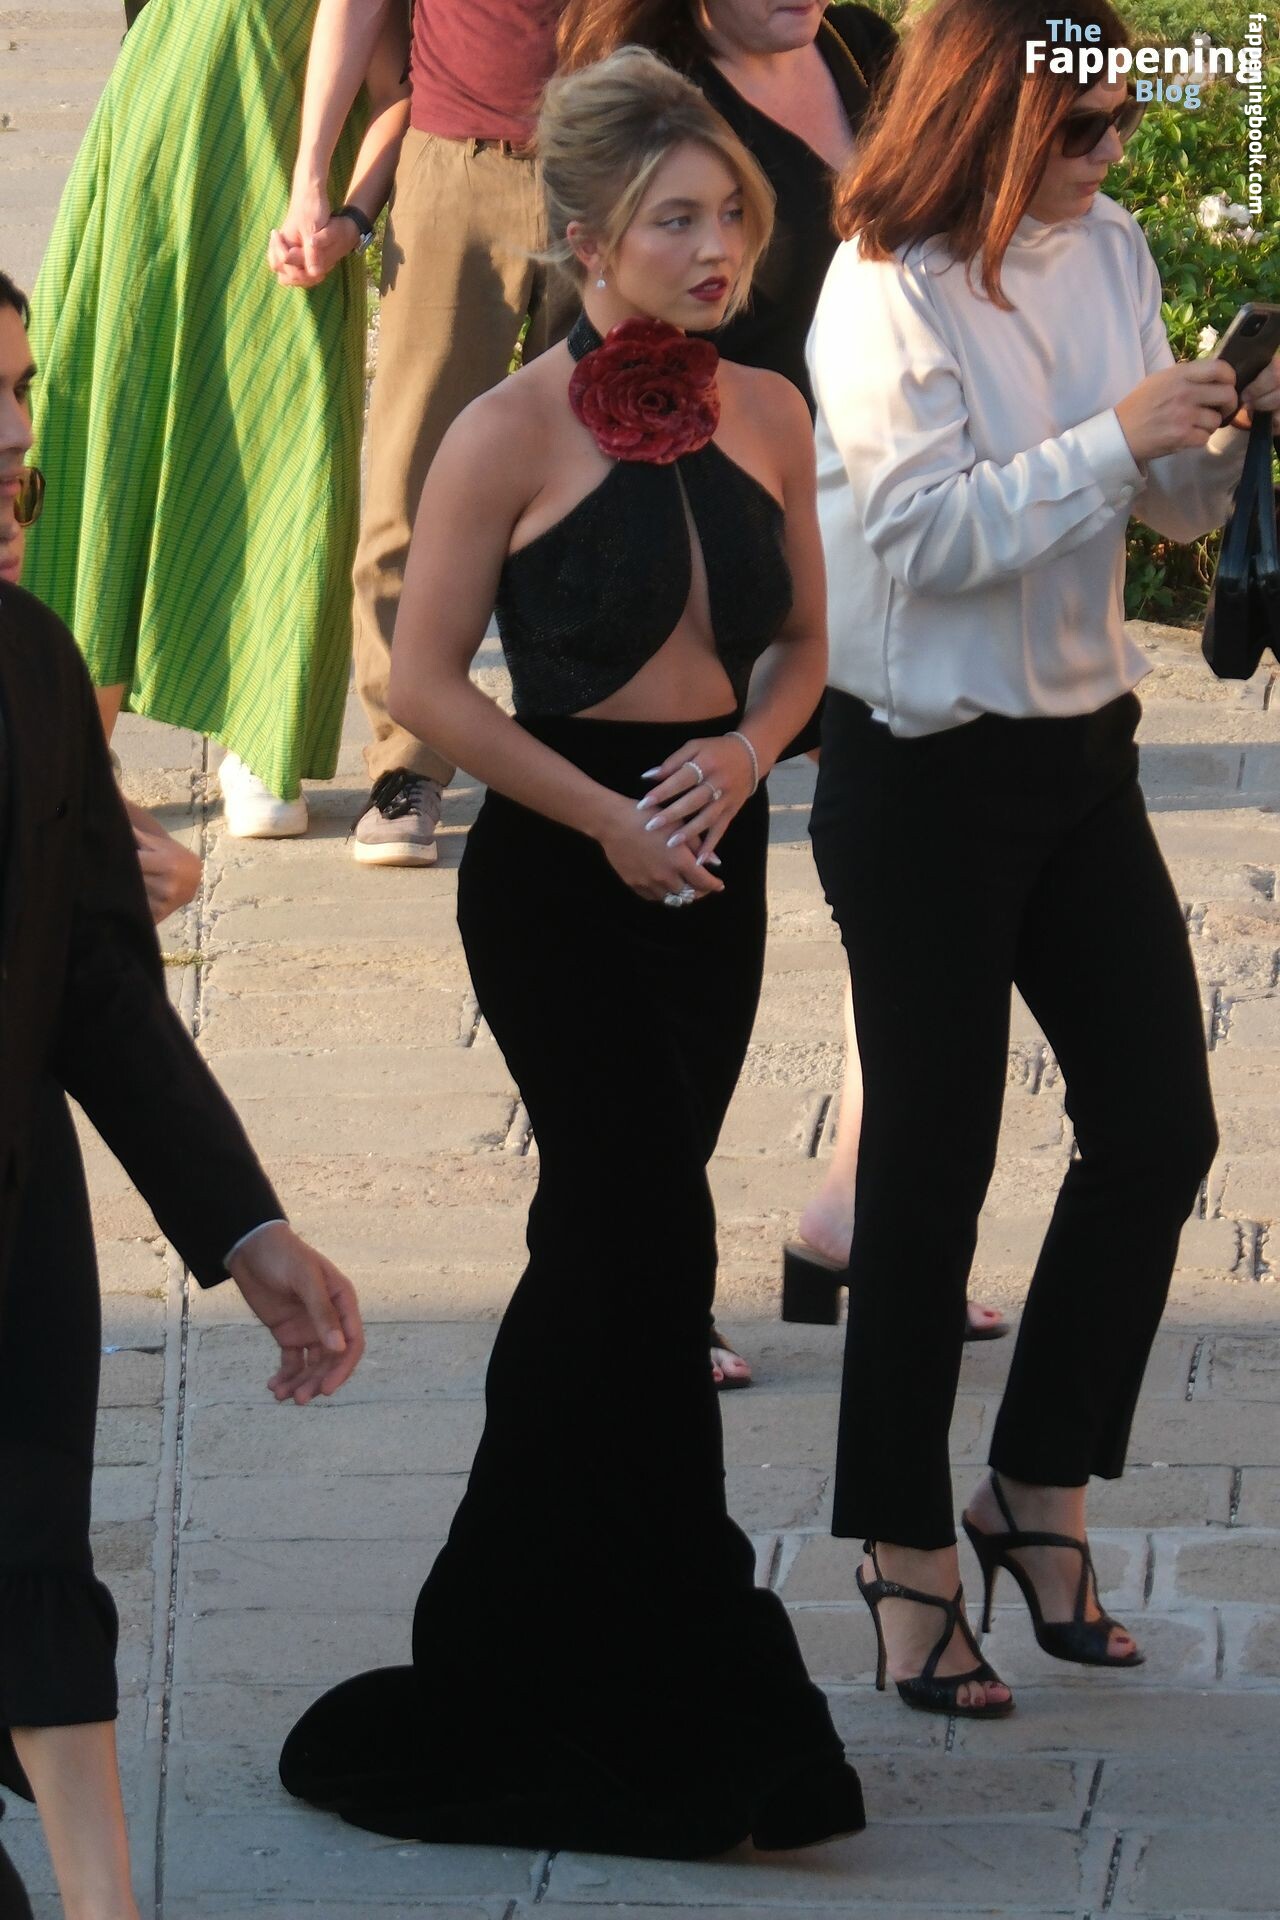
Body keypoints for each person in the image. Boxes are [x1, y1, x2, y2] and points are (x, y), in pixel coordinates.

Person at [279, 49, 864, 1856]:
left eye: (732, 214)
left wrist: (744, 758)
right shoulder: (506, 431)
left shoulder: (770, 411)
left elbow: (807, 647)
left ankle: (511, 1637)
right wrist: (604, 814)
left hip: (714, 864)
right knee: (648, 1244)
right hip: (557, 875)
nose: (717, 246)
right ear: (588, 238)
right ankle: (686, 1679)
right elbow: (423, 680)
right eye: (677, 219)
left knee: (601, 1260)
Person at [806, 0, 1280, 1719]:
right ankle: (901, 1551)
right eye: (1081, 127)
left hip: (1082, 754)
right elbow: (923, 537)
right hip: (921, 769)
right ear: (987, 119)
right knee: (928, 1182)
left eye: (1125, 119)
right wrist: (1115, 438)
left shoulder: (1116, 249)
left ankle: (1037, 1486)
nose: (1111, 153)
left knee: (1159, 1127)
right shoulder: (886, 287)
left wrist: (1223, 429)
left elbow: (1165, 516)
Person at [0, 273, 366, 1920]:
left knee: (30, 1558)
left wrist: (246, 1229)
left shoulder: (28, 660)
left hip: (17, 1215)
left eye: (22, 391)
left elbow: (99, 994)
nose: (15, 439)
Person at [24, 0, 410, 839]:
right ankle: (76, 742)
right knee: (106, 427)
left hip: (279, 225)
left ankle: (262, 733)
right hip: (149, 176)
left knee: (288, 447)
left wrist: (348, 216)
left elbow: (398, 93)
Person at [332, 0, 565, 869]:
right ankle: (406, 761)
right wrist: (322, 180)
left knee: (605, 470)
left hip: (610, 158)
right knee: (411, 477)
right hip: (456, 159)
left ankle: (583, 741)